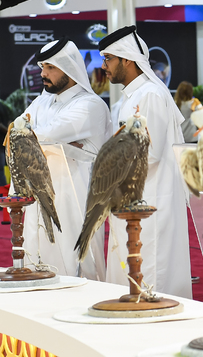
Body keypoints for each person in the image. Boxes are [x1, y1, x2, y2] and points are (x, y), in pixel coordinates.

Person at [99, 25, 191, 298]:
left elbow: (149, 154)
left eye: (108, 59)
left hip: (150, 203)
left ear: (126, 59)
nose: (104, 66)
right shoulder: (133, 97)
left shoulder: (149, 94)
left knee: (151, 281)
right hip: (132, 201)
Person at [21, 37, 112, 280]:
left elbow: (42, 134)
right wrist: (50, 140)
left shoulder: (90, 105)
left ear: (69, 68)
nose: (43, 73)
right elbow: (19, 132)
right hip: (39, 198)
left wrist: (41, 137)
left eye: (50, 67)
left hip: (76, 198)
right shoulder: (42, 101)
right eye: (42, 67)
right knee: (35, 264)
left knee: (78, 268)